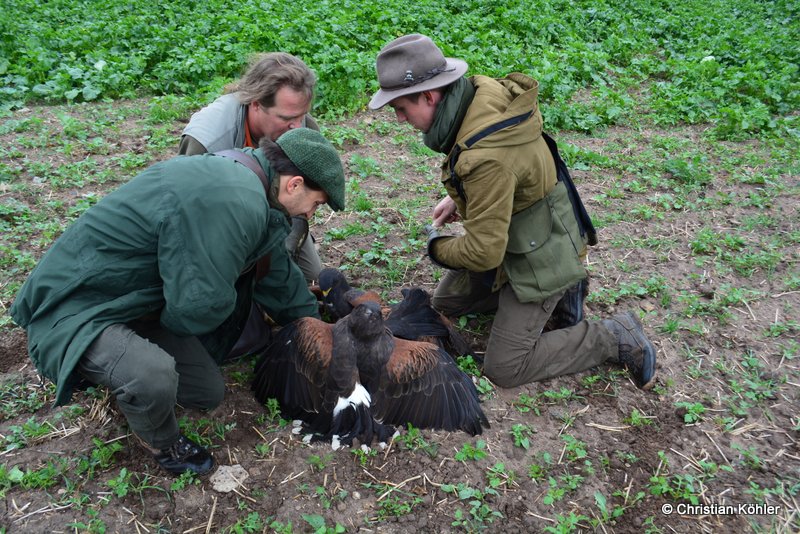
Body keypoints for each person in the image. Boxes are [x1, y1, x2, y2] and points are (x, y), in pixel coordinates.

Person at [9, 128, 346, 476]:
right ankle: (161, 442)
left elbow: (276, 276)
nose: (311, 214)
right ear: (294, 184)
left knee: (205, 390)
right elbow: (196, 308)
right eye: (316, 204)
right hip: (77, 305)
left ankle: (123, 359)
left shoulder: (256, 189)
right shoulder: (235, 199)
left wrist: (318, 331)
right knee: (153, 377)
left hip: (133, 302)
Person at [368, 34, 656, 390]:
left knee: (505, 367)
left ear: (429, 96)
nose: (400, 119)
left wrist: (436, 246)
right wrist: (464, 199)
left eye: (401, 108)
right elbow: (509, 173)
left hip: (542, 252)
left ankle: (613, 335)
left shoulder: (486, 156)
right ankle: (558, 294)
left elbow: (483, 250)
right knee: (445, 301)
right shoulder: (479, 95)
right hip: (526, 232)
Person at [178, 51, 322, 283]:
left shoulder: (300, 125)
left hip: (273, 212)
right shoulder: (207, 140)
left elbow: (304, 190)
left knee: (310, 275)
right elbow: (185, 213)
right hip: (217, 221)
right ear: (256, 104)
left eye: (302, 115)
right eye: (287, 118)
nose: (297, 127)